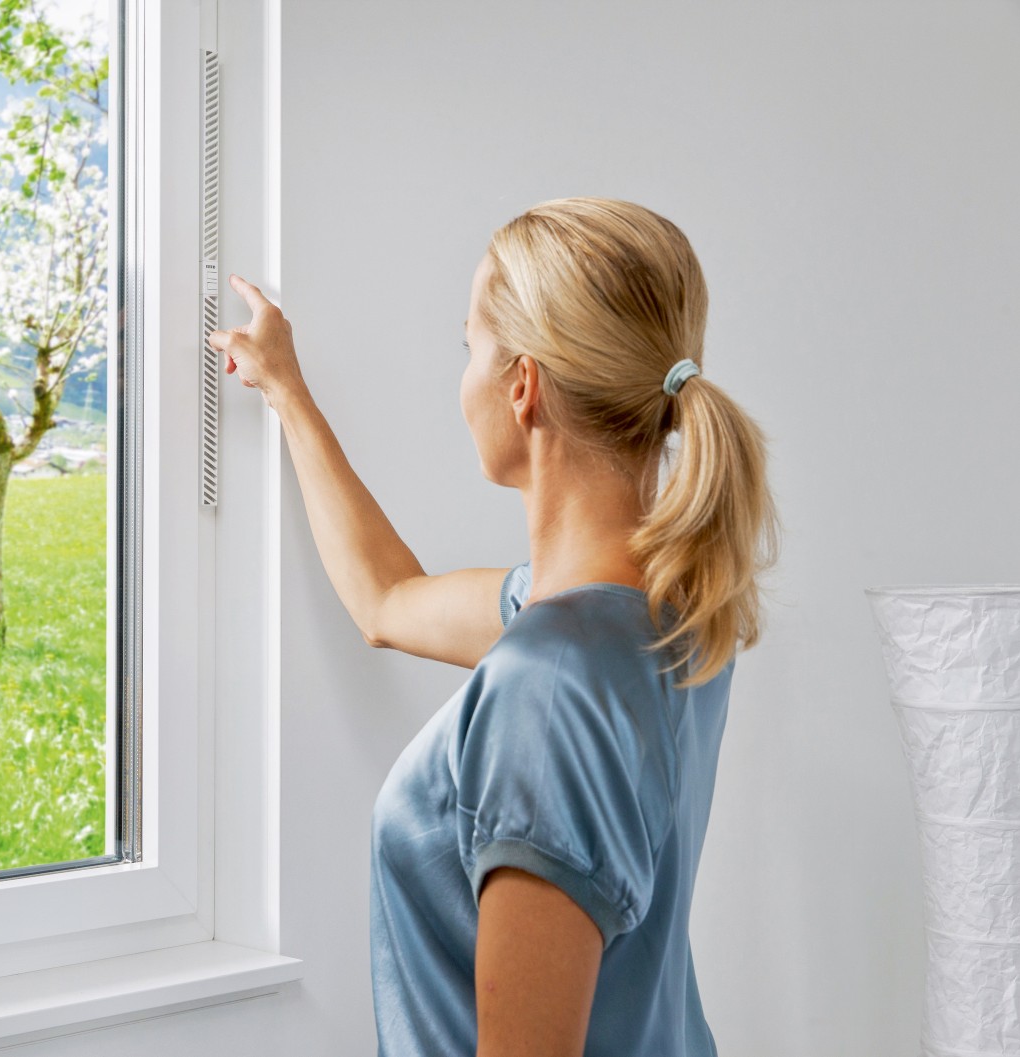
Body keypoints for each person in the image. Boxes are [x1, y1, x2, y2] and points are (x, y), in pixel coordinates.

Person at [208, 196, 782, 1057]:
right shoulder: (667, 610)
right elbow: (387, 600)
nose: (464, 372)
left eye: (468, 343)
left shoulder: (550, 682)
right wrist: (287, 392)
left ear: (522, 387)